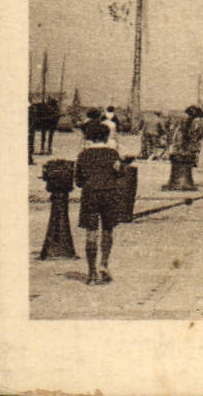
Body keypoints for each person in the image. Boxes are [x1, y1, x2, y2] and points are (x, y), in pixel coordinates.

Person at [75, 121, 127, 285]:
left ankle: (91, 272)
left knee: (91, 231)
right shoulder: (112, 154)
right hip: (110, 193)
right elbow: (121, 174)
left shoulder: (83, 155)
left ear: (89, 136)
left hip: (90, 194)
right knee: (108, 229)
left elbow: (78, 181)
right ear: (106, 137)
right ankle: (104, 264)